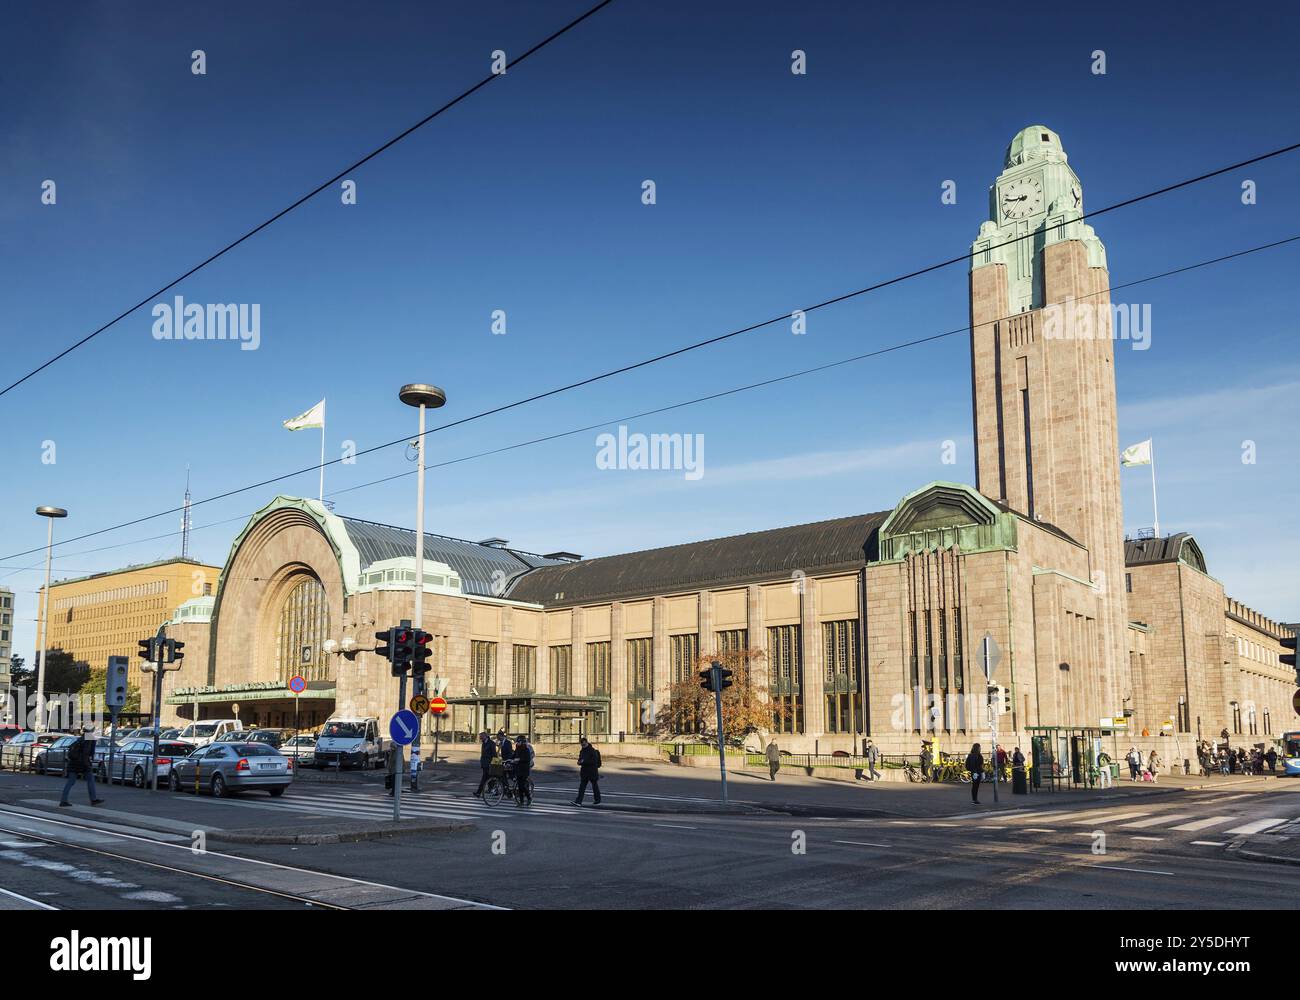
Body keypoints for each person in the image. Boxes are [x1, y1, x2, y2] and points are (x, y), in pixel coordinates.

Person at [58, 729, 104, 808]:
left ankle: (63, 800)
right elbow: (87, 753)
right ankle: (93, 799)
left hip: (73, 762)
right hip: (83, 763)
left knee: (71, 782)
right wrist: (88, 763)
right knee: (90, 779)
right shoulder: (90, 739)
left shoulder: (80, 739)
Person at [573, 736, 602, 806]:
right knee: (582, 787)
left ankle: (597, 800)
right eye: (582, 745)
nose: (583, 746)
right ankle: (578, 801)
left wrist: (583, 761)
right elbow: (580, 759)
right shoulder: (582, 751)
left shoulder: (592, 751)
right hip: (585, 772)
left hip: (592, 771)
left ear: (586, 743)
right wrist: (579, 762)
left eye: (584, 744)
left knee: (594, 786)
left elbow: (593, 761)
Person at [513, 734, 534, 806]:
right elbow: (513, 755)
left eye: (518, 742)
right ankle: (521, 802)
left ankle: (529, 798)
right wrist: (508, 760)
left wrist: (519, 760)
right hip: (518, 769)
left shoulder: (526, 749)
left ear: (522, 742)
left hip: (524, 770)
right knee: (519, 786)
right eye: (517, 742)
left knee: (522, 786)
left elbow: (527, 759)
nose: (517, 743)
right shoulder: (517, 749)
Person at [473, 731, 495, 797]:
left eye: (481, 737)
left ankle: (479, 792)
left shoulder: (491, 743)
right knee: (489, 778)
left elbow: (494, 754)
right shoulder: (484, 743)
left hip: (489, 764)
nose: (480, 739)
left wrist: (493, 763)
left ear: (485, 736)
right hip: (485, 764)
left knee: (485, 779)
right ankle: (491, 790)